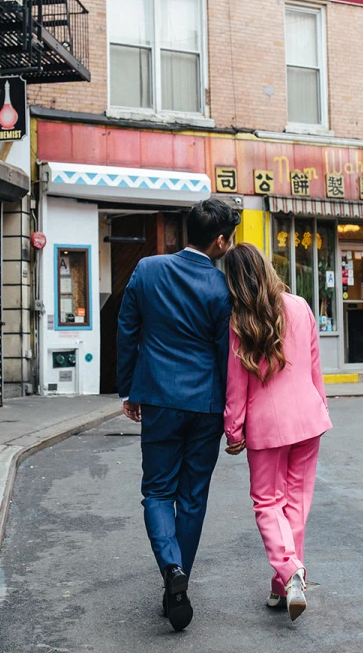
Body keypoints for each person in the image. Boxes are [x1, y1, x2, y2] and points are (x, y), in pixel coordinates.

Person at [116, 198, 241, 632]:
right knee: (192, 498)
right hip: (205, 404)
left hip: (158, 397)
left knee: (156, 491)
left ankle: (172, 570)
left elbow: (128, 329)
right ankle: (179, 581)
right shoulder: (221, 289)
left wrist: (129, 389)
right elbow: (227, 356)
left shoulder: (148, 270)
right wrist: (232, 414)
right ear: (221, 241)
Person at [222, 244, 333, 621]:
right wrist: (322, 406)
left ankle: (289, 572)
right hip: (308, 418)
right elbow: (315, 366)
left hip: (267, 426)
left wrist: (232, 430)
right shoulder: (300, 305)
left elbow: (236, 385)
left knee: (268, 503)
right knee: (296, 505)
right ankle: (282, 584)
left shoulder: (238, 321)